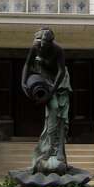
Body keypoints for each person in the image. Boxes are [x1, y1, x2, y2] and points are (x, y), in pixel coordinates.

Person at [21, 27, 72, 175]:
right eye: (41, 42)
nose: (42, 45)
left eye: (46, 43)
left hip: (59, 82)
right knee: (53, 110)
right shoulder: (36, 47)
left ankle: (57, 148)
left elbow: (61, 71)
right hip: (44, 78)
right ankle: (48, 147)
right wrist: (23, 82)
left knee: (60, 113)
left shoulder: (58, 50)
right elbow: (27, 64)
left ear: (51, 42)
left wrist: (51, 92)